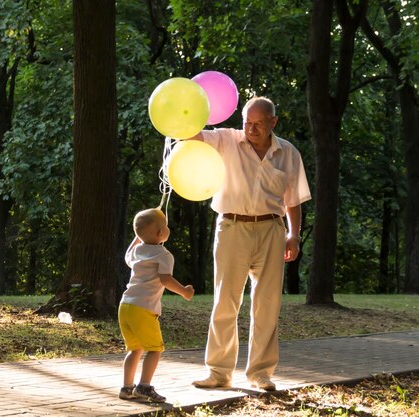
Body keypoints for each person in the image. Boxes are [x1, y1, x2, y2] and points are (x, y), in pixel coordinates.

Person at [191, 97, 311, 391]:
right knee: (225, 301)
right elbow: (193, 136)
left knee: (268, 305)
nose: (251, 128)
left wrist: (293, 234)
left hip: (271, 229)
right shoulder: (227, 140)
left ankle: (260, 372)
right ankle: (218, 371)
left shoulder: (288, 153)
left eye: (258, 123)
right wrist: (185, 115)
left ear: (273, 122)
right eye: (247, 122)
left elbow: (293, 200)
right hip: (232, 227)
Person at [118, 208, 195, 403]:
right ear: (161, 233)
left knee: (134, 349)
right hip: (143, 309)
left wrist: (137, 237)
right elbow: (165, 279)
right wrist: (184, 292)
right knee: (155, 349)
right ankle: (144, 386)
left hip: (125, 306)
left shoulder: (136, 251)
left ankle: (127, 388)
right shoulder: (163, 254)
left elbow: (128, 253)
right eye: (166, 226)